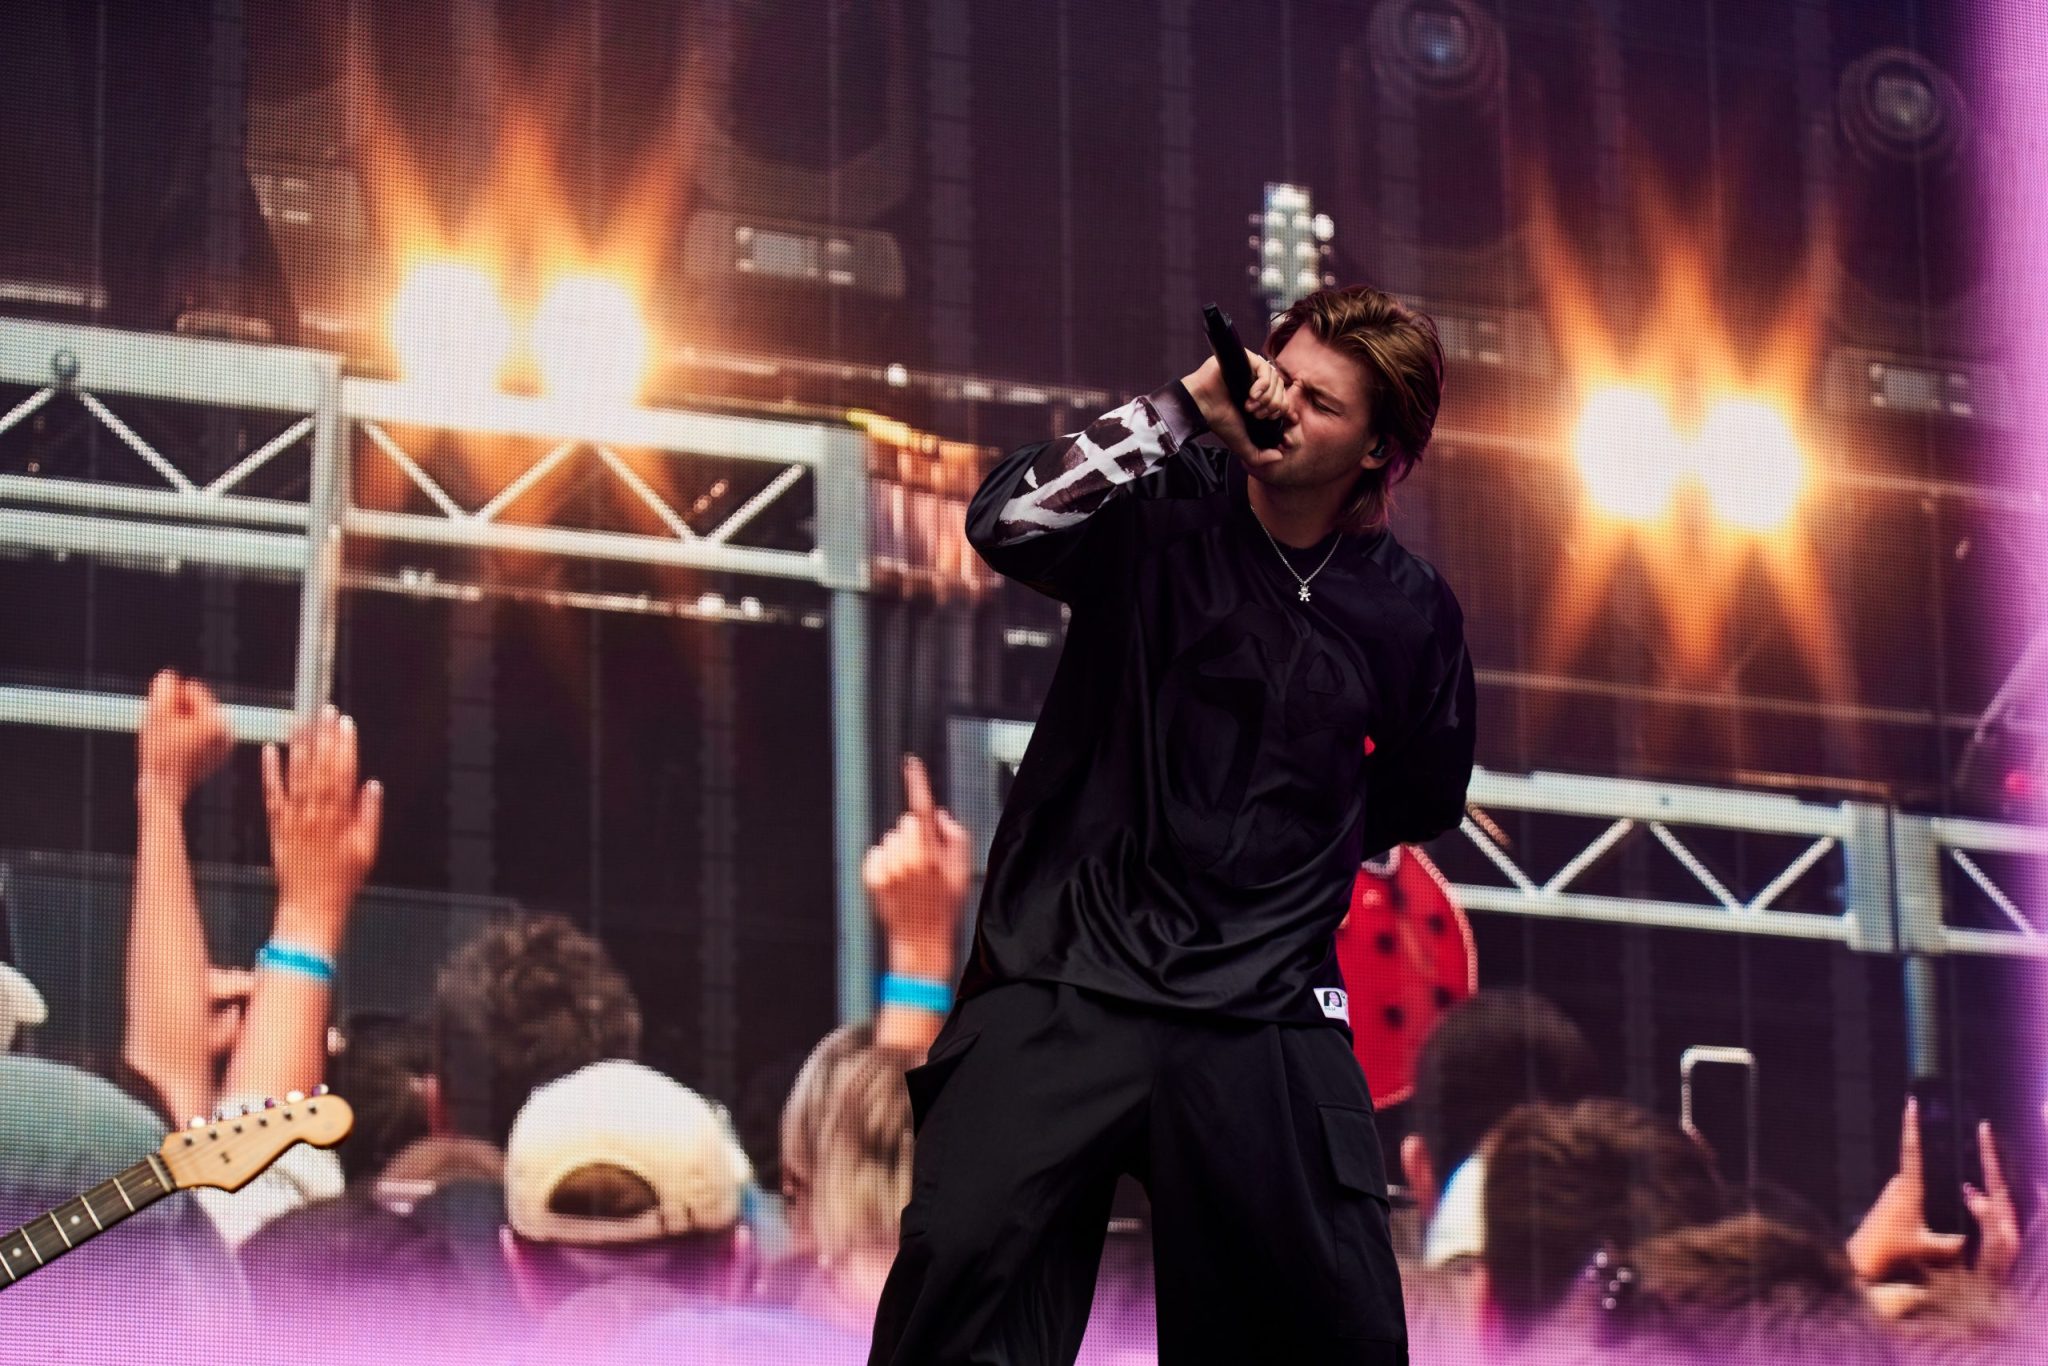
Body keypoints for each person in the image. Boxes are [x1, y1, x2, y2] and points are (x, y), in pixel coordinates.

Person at [868, 285, 1477, 1364]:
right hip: (1065, 971)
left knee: (1328, 1335)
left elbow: (1424, 793)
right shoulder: (1159, 507)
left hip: (1264, 1008)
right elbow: (1002, 521)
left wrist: (1289, 848)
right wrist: (1183, 408)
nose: (1282, 408)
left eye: (1321, 404)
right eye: (1279, 377)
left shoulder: (1407, 608)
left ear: (1378, 450)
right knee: (959, 1283)